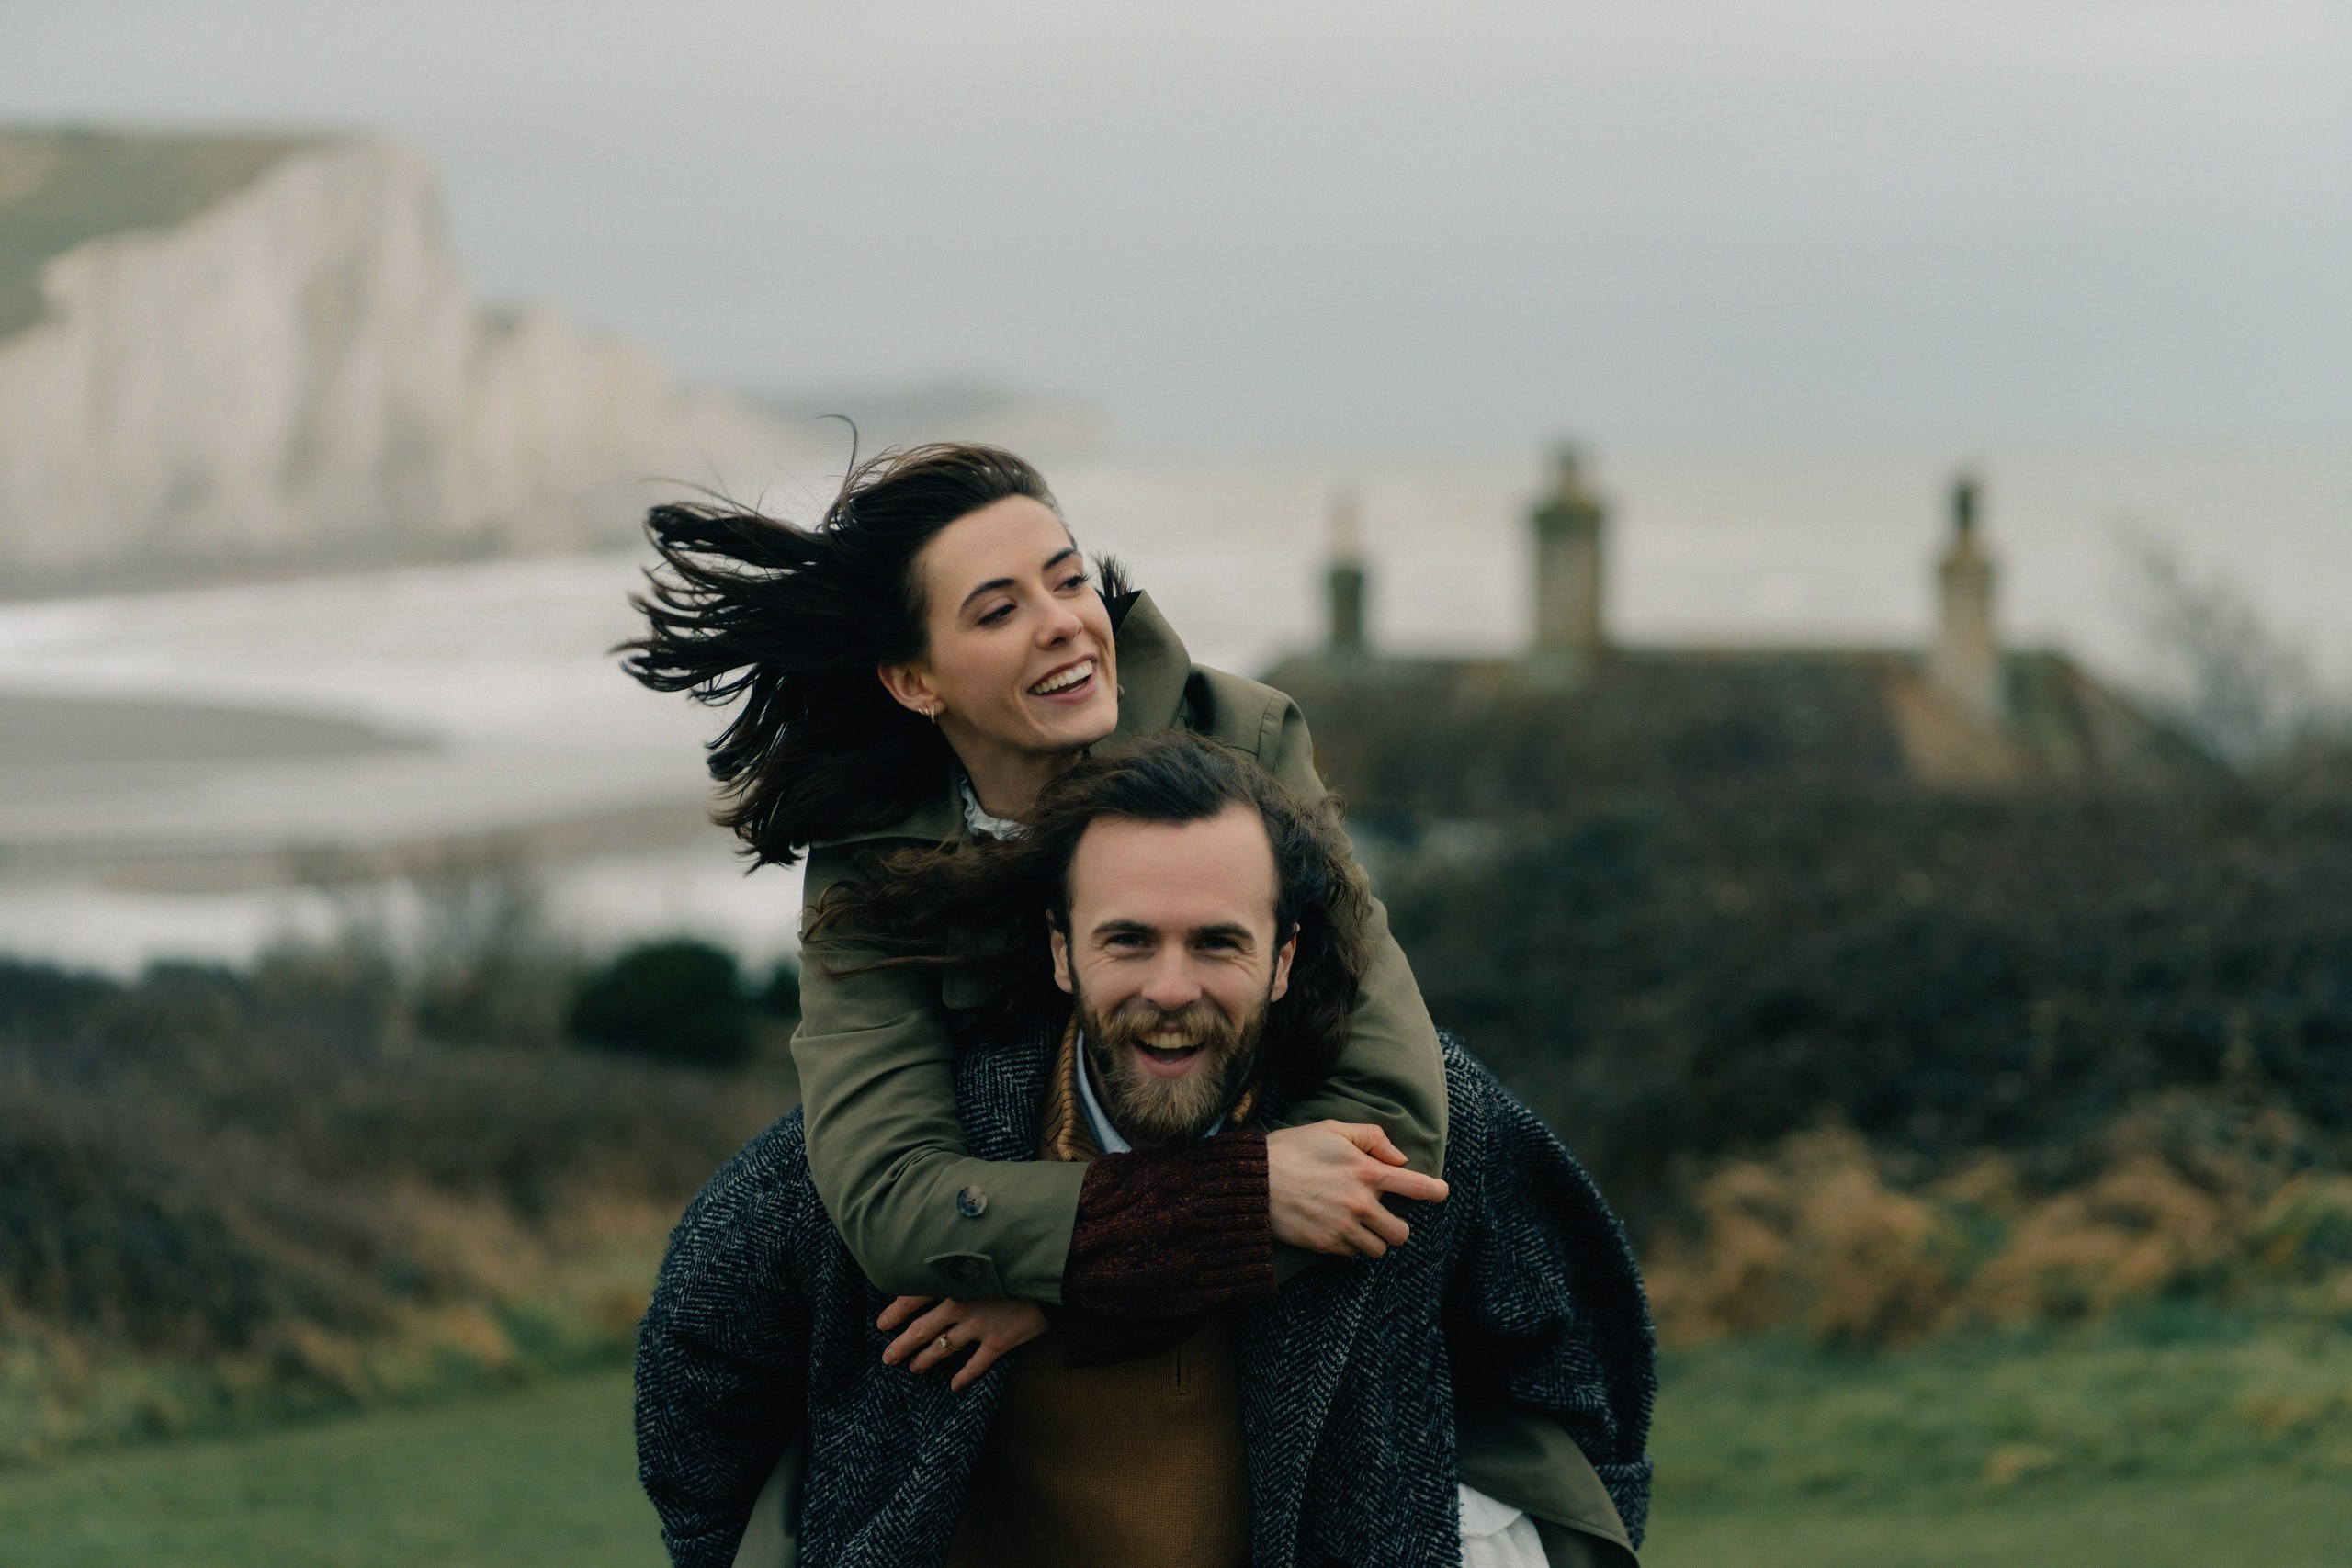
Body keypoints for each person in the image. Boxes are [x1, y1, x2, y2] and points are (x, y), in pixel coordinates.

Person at [636, 733, 1655, 1568]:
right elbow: (697, 1357)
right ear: (1060, 951)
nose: (1171, 990)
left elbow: (1587, 1349)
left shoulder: (1418, 1130)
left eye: (1217, 942)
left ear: (1284, 959)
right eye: (1128, 940)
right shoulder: (904, 1151)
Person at [622, 443, 1449, 1333]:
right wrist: (1229, 1204)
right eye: (998, 611)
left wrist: (1072, 1295)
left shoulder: (1241, 742)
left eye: (1068, 581)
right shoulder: (872, 858)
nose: (1061, 623)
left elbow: (1392, 1116)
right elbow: (889, 1199)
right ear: (914, 680)